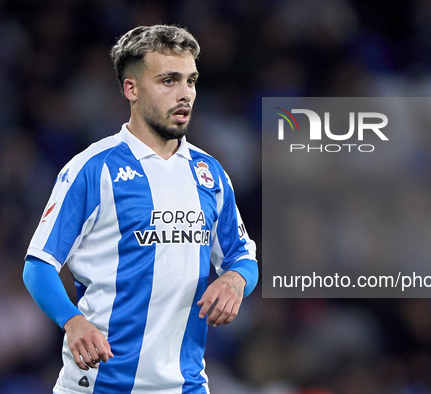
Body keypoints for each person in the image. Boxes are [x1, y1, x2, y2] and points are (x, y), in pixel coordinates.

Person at [22, 25, 258, 394]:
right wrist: (73, 321)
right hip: (100, 383)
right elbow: (38, 264)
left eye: (191, 81)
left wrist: (235, 279)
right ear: (131, 89)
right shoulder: (93, 168)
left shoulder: (209, 172)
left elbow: (242, 256)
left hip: (186, 384)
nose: (185, 95)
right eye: (169, 81)